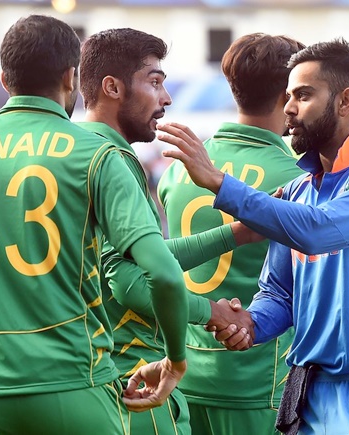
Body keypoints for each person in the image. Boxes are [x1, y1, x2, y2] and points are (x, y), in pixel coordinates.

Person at [157, 38, 349, 434]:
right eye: (288, 96)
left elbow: (317, 231)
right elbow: (280, 293)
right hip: (310, 393)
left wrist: (220, 182)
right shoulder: (299, 189)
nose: (288, 108)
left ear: (344, 101)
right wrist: (249, 325)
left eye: (303, 95)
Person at [0, 15, 191, 434]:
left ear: (4, 80)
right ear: (71, 77)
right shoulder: (96, 154)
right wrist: (176, 359)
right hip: (73, 384)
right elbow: (163, 274)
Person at [77, 28, 262, 435]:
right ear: (111, 87)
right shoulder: (108, 159)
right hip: (128, 378)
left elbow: (145, 255)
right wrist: (207, 313)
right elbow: (130, 282)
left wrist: (235, 234)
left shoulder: (73, 149)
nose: (166, 99)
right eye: (155, 82)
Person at [157, 33, 305, 435]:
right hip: (260, 384)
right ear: (289, 93)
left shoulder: (180, 168)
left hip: (184, 379)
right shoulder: (299, 178)